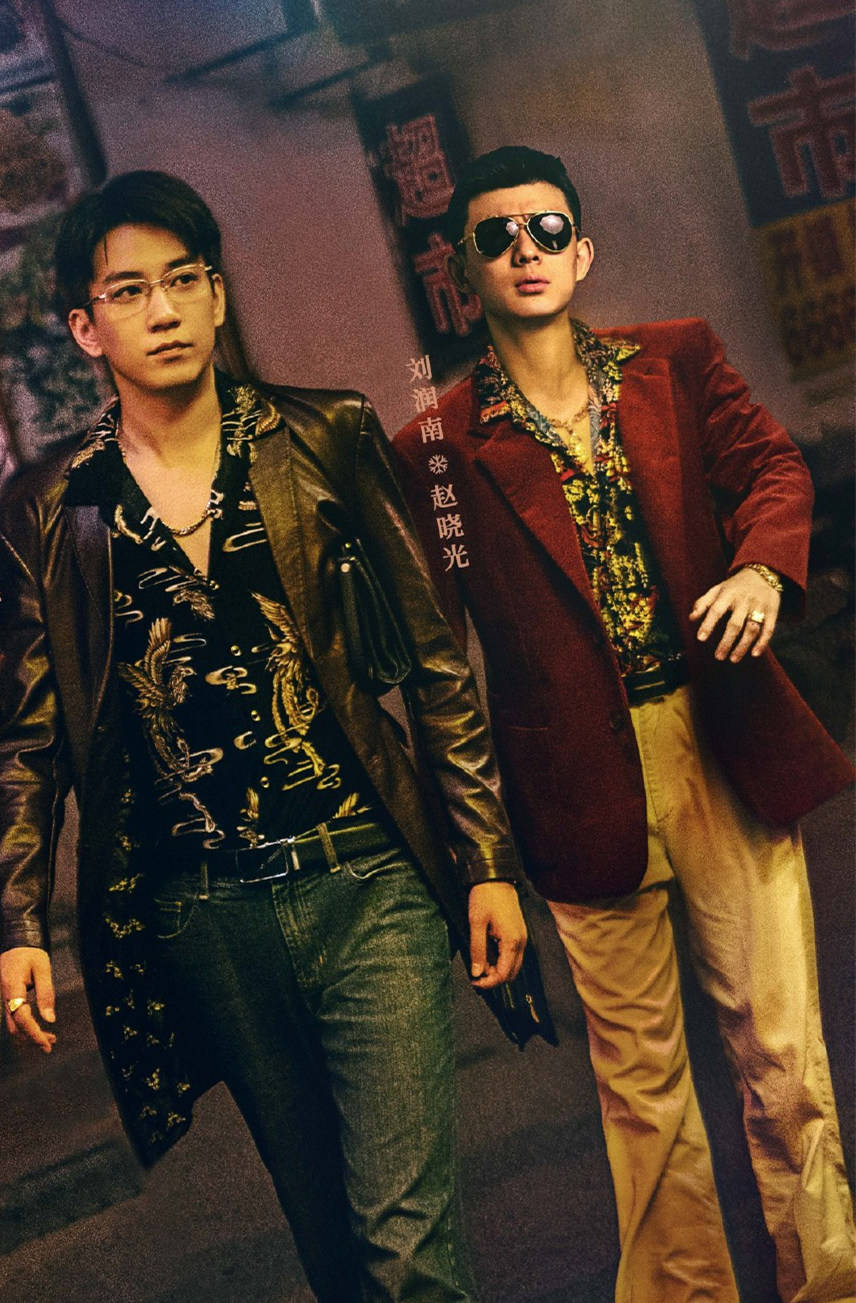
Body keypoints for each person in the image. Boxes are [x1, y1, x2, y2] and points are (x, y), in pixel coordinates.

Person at [0, 171, 531, 1302]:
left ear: (218, 295)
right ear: (85, 328)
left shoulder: (322, 434)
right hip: (207, 916)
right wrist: (18, 918)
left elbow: (434, 661)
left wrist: (482, 858)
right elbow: (31, 738)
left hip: (365, 877)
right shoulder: (53, 503)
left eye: (184, 279)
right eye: (130, 291)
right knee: (333, 1252)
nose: (165, 309)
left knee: (404, 1245)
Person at [391, 144, 855, 1303]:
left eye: (547, 230)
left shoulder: (673, 360)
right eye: (496, 237)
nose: (525, 251)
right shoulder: (434, 448)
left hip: (716, 738)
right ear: (462, 274)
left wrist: (761, 568)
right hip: (572, 788)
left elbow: (772, 470)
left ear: (582, 251)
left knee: (780, 1061)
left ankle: (826, 1285)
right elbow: (435, 659)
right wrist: (476, 856)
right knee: (641, 1094)